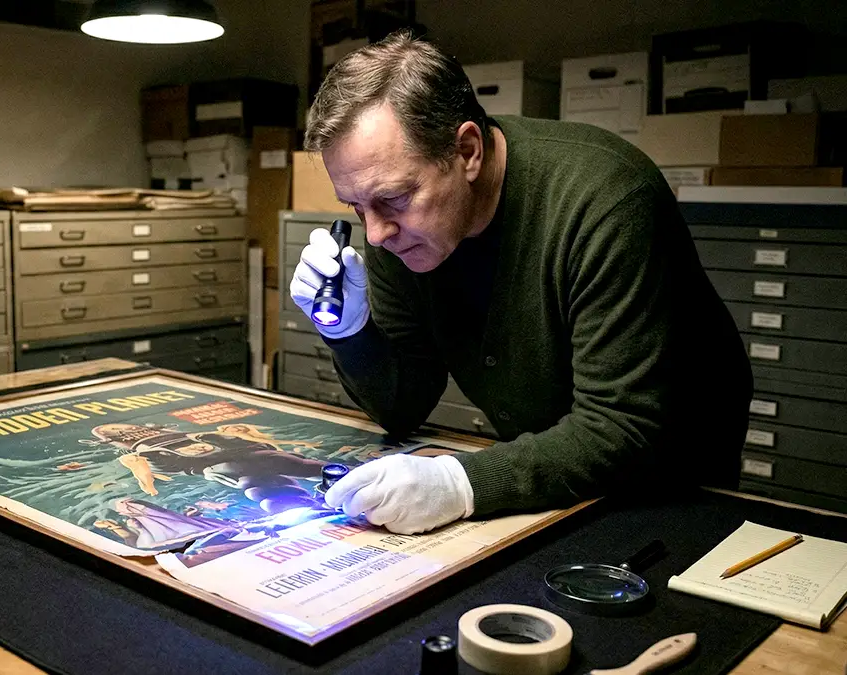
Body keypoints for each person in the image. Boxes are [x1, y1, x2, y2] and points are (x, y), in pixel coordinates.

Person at [289, 31, 751, 535]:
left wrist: (462, 483)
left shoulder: (606, 200)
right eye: (356, 207)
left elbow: (624, 426)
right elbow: (404, 406)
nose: (376, 234)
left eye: (394, 199)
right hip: (555, 473)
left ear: (467, 151)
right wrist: (351, 334)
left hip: (670, 480)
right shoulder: (396, 229)